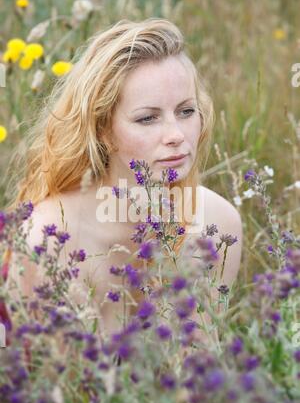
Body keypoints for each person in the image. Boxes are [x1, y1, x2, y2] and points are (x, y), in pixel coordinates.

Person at [5, 18, 243, 344]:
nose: (177, 135)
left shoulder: (218, 223)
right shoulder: (48, 240)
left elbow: (196, 380)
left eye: (186, 111)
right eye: (148, 118)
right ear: (103, 129)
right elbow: (59, 388)